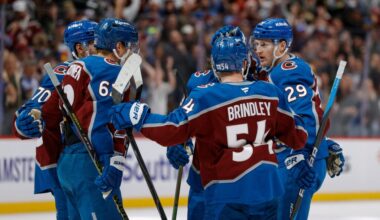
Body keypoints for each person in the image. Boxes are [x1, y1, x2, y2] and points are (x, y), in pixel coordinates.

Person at [110, 34, 316, 219]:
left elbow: (170, 129)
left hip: (225, 192)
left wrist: (136, 115)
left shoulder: (206, 96)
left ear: (215, 66)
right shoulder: (270, 92)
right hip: (268, 190)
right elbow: (298, 136)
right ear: (245, 63)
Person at [250, 17, 345, 219]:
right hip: (286, 161)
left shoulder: (290, 72)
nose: (258, 50)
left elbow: (304, 118)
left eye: (264, 44)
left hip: (296, 163)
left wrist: (300, 153)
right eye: (257, 44)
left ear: (282, 46)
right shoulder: (270, 72)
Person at [13, 19, 97, 220]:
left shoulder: (102, 71)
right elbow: (33, 106)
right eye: (96, 42)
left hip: (86, 159)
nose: (103, 47)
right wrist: (25, 121)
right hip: (63, 159)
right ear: (81, 48)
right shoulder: (64, 72)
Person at [57, 18, 138, 220]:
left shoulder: (78, 65)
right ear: (118, 46)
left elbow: (65, 108)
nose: (133, 52)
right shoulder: (112, 70)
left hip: (67, 162)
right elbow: (98, 119)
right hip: (90, 161)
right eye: (129, 46)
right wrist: (109, 159)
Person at [166, 25, 245, 220]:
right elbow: (182, 117)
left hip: (241, 182)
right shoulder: (198, 83)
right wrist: (176, 140)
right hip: (203, 177)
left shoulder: (258, 82)